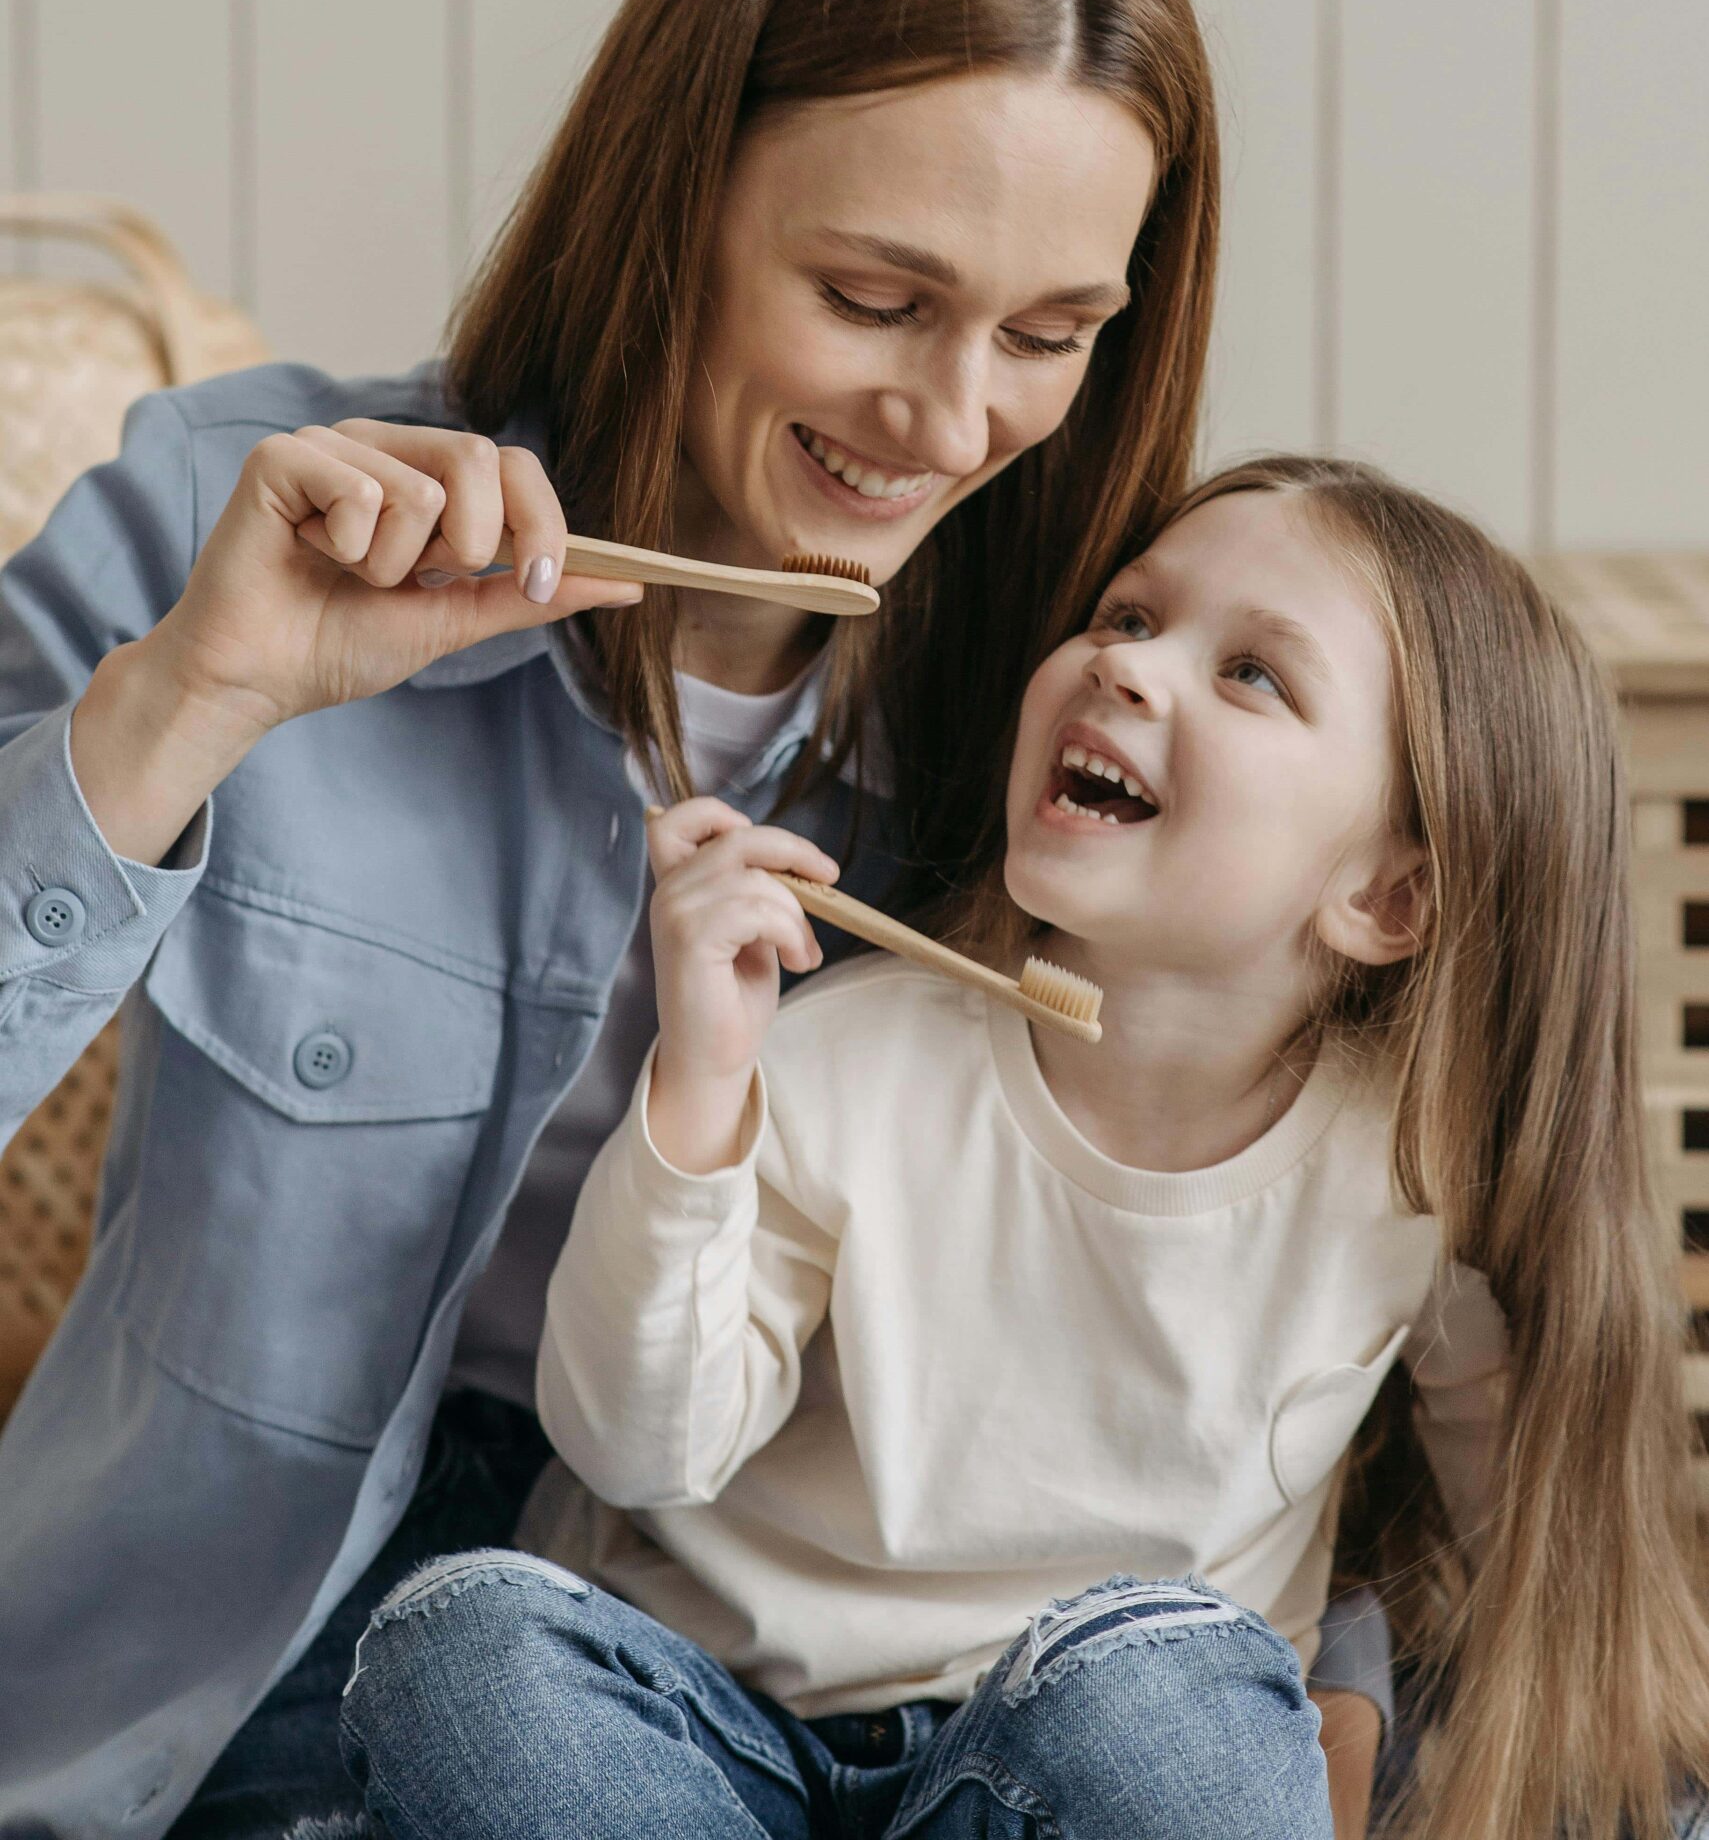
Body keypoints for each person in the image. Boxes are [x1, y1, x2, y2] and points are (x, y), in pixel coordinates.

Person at [0, 0, 1262, 1838]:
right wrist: (195, 697)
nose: (951, 425)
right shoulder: (227, 517)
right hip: (241, 1682)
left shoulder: (1090, 704)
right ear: (674, 191)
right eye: (871, 295)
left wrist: (1364, 1689)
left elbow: (1313, 1207)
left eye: (1048, 337)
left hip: (819, 1685)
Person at [335, 458, 1709, 1840]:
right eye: (1125, 615)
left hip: (1078, 1764)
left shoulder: (1409, 1176)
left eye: (1250, 675)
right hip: (718, 1741)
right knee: (463, 1648)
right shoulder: (845, 1061)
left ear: (1387, 895)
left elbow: (1531, 1533)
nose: (1125, 668)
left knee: (1185, 1703)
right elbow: (634, 1451)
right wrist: (699, 1084)